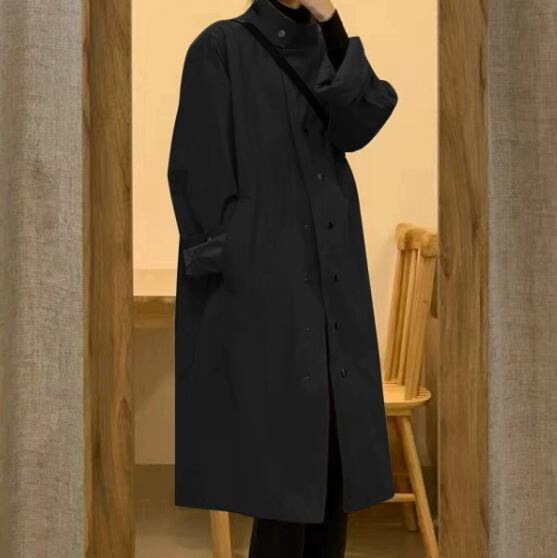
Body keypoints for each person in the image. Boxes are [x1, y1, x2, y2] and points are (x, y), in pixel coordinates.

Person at [167, 0, 398, 556]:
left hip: (335, 286)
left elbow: (361, 121)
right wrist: (243, 273)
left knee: (333, 468)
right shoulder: (220, 48)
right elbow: (200, 180)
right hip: (268, 293)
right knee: (283, 481)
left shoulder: (324, 48)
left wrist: (332, 21)